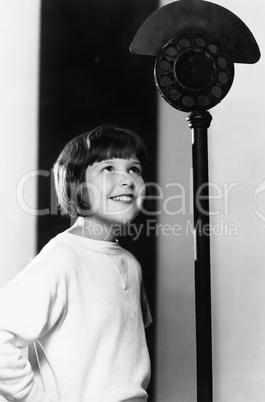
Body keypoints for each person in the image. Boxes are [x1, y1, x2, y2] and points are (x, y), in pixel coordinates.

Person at [0, 124, 152, 402]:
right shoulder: (63, 256)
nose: (128, 180)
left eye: (134, 169)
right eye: (108, 168)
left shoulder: (131, 264)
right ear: (77, 186)